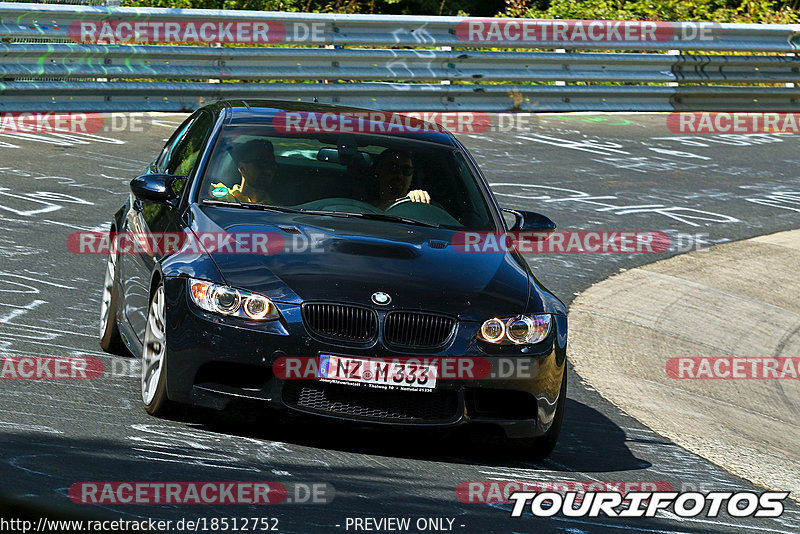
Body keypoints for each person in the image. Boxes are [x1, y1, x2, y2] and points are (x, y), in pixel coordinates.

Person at [209, 139, 278, 203]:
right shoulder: (220, 195)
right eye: (261, 164)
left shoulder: (278, 211)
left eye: (272, 166)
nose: (268, 171)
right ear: (242, 168)